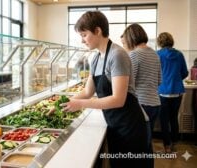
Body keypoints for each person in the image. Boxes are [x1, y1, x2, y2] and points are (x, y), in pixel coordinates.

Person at [61, 11, 151, 168]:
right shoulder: (95, 59)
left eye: (84, 35)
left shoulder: (117, 55)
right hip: (114, 124)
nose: (82, 40)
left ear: (97, 31)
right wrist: (64, 103)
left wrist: (81, 104)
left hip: (130, 126)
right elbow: (88, 92)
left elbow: (118, 99)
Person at [121, 23, 161, 138]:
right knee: (147, 141)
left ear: (130, 38)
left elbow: (128, 83)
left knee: (139, 142)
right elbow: (159, 81)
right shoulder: (155, 54)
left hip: (141, 104)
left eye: (124, 42)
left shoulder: (134, 54)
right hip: (155, 103)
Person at [156, 32, 189, 153]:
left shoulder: (158, 54)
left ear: (159, 42)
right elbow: (185, 72)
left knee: (164, 120)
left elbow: (155, 73)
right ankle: (175, 142)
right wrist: (175, 78)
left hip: (163, 92)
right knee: (174, 117)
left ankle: (167, 146)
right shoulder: (179, 54)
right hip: (177, 92)